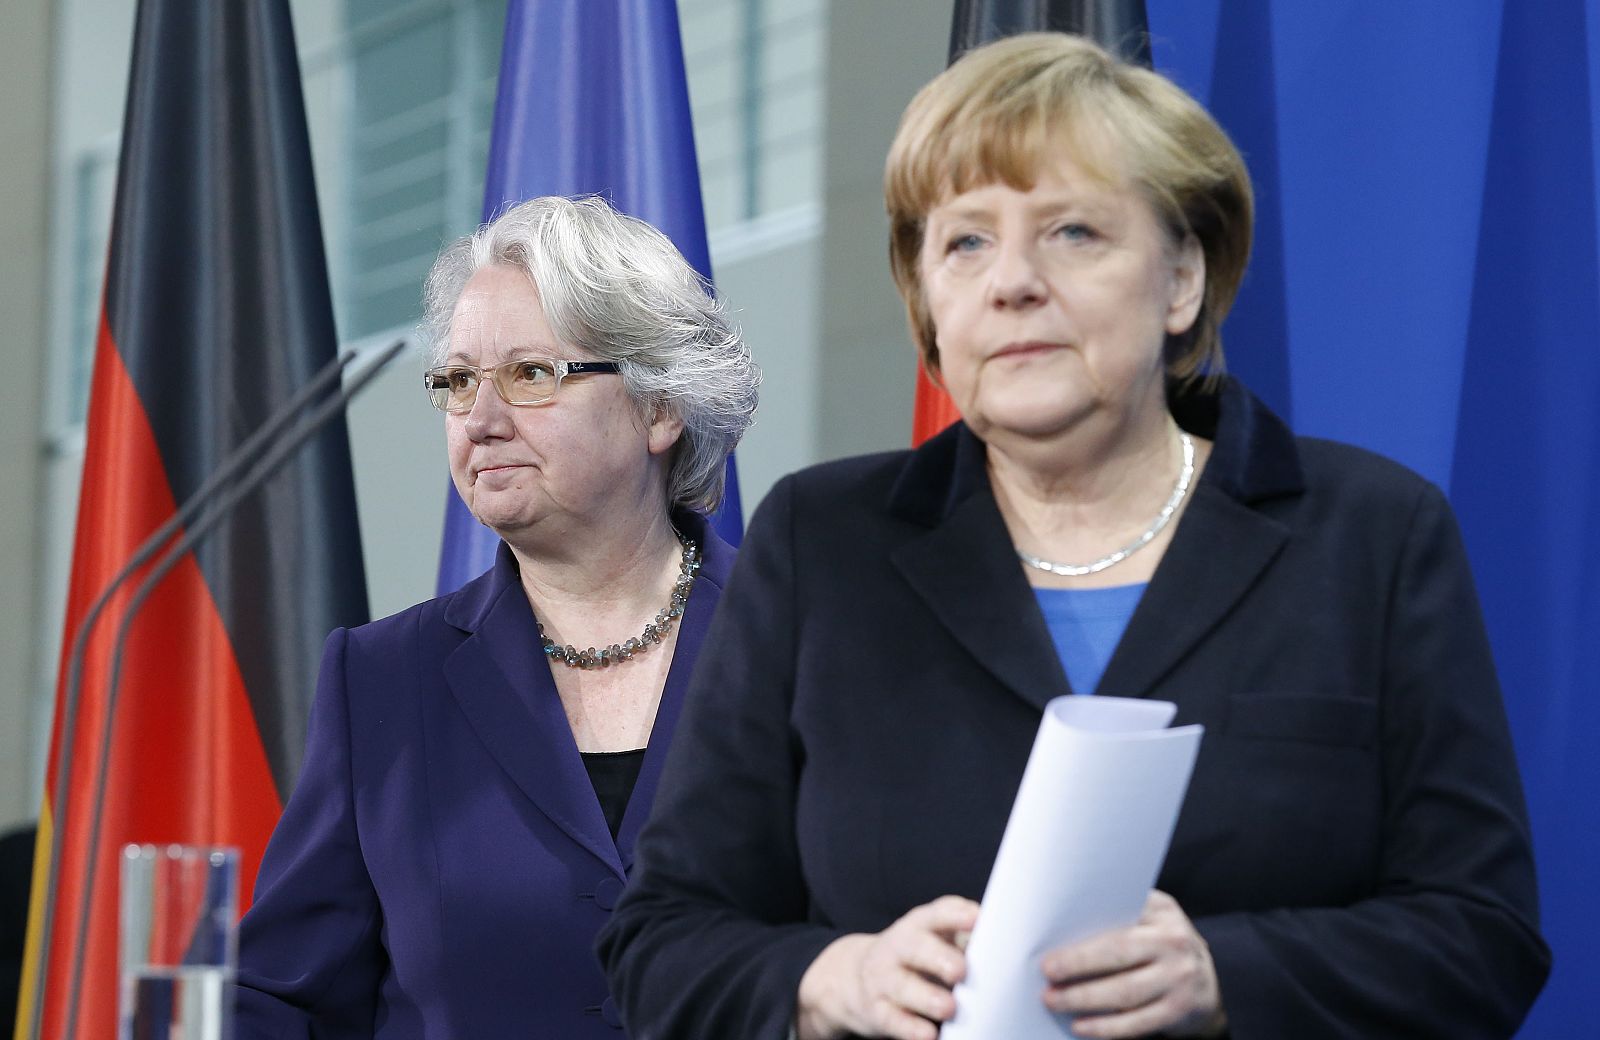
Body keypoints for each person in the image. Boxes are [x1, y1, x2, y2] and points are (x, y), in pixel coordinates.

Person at [600, 33, 1549, 1040]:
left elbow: (1482, 934)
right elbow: (659, 939)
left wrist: (1227, 973)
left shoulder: (1370, 531)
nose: (1010, 281)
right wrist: (833, 975)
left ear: (1181, 277)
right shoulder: (820, 542)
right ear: (925, 297)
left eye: (1072, 233)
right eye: (965, 241)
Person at [234, 195, 758, 1037]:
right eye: (458, 380)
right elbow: (279, 999)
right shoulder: (377, 681)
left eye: (531, 374)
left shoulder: (803, 649)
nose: (480, 419)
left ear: (660, 407)